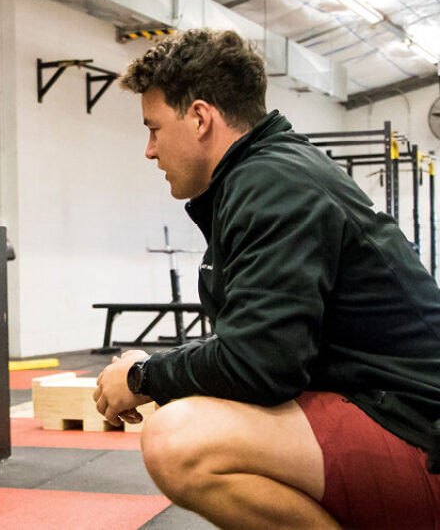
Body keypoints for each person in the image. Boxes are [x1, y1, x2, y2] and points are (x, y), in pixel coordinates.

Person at [93, 28, 440, 529]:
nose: (149, 150)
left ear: (199, 117)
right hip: (390, 416)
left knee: (180, 439)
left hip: (420, 440)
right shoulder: (266, 174)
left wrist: (141, 376)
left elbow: (259, 365)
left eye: (153, 128)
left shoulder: (271, 182)